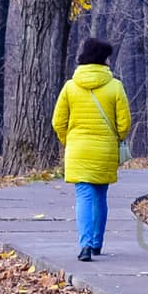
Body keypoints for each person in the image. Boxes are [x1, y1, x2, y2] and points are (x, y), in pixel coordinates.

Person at [53, 37, 131, 261]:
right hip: (104, 148)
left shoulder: (70, 86)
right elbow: (124, 122)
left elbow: (58, 121)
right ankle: (97, 242)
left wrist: (68, 140)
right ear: (104, 59)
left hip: (77, 148)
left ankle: (85, 245)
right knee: (100, 195)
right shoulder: (115, 86)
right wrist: (116, 138)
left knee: (84, 196)